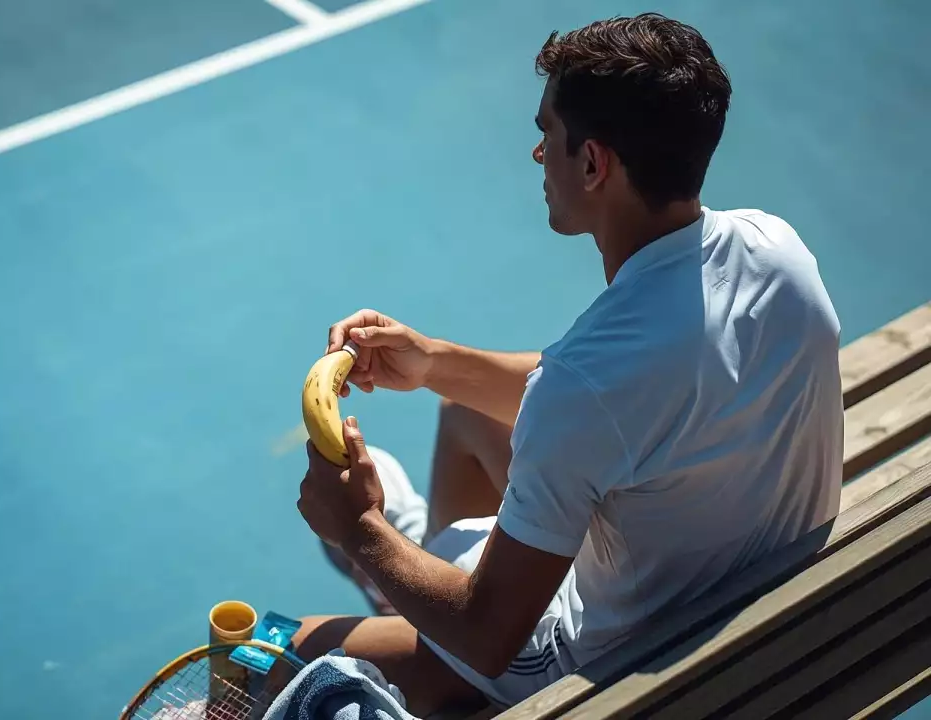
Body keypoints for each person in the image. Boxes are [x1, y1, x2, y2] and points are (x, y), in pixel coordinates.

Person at [288, 12, 844, 718]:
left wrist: (360, 528)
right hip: (765, 614)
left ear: (592, 163)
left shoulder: (584, 390)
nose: (536, 153)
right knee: (464, 409)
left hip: (606, 673)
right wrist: (431, 363)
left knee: (276, 648)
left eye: (547, 131)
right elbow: (608, 405)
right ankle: (419, 575)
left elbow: (488, 636)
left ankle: (403, 582)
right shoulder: (778, 251)